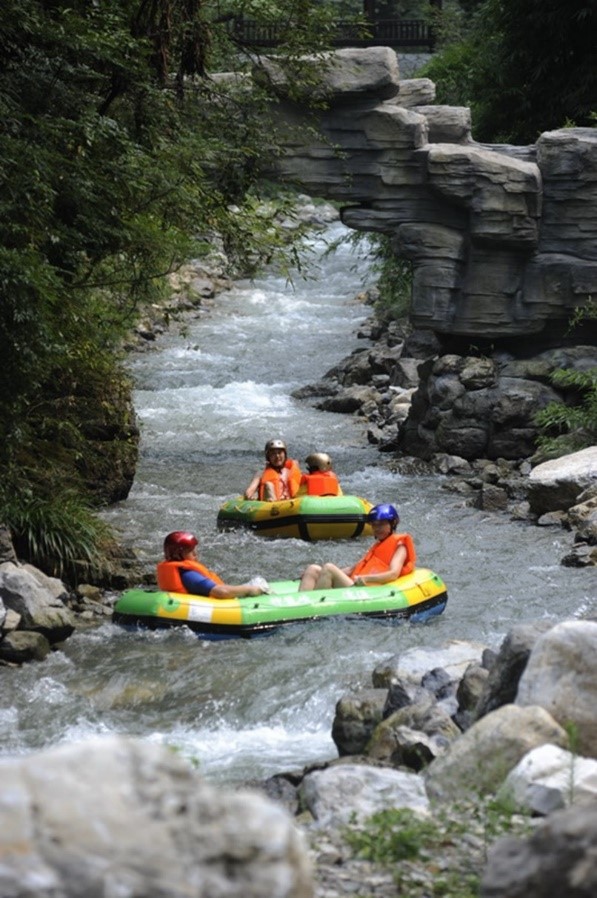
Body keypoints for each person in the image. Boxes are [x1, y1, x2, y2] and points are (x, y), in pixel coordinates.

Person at [298, 503, 416, 591]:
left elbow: (393, 574)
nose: (377, 528)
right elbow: (351, 569)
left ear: (393, 523)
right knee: (313, 569)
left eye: (381, 524)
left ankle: (314, 606)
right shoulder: (378, 546)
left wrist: (367, 579)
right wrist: (322, 573)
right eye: (374, 525)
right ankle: (299, 604)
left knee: (329, 568)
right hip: (358, 584)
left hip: (369, 589)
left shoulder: (400, 547)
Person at [157, 531, 267, 598]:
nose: (196, 554)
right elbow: (221, 592)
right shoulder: (188, 575)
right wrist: (250, 589)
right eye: (191, 551)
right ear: (178, 554)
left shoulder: (174, 569)